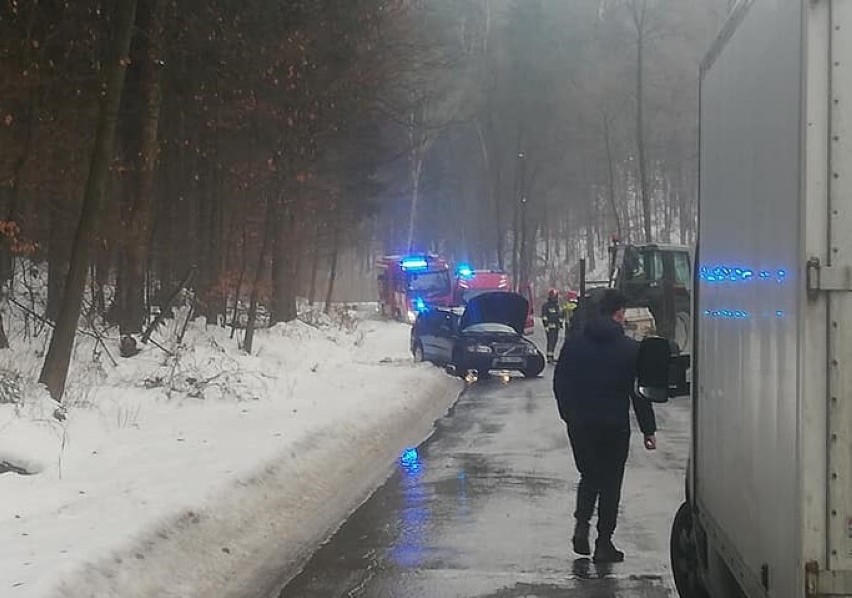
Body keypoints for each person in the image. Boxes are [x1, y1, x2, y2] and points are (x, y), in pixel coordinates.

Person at [552, 288, 657, 563]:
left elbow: (560, 382)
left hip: (580, 425)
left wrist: (569, 415)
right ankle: (603, 542)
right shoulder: (630, 349)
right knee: (611, 483)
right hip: (614, 427)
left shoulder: (573, 344)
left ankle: (581, 524)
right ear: (619, 314)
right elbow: (639, 392)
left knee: (589, 476)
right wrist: (649, 429)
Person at [541, 289, 563, 363]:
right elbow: (544, 316)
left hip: (556, 327)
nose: (556, 298)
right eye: (555, 296)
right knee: (551, 341)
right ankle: (549, 357)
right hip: (550, 327)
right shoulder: (546, 305)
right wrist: (546, 326)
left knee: (554, 342)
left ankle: (552, 356)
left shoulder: (556, 306)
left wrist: (560, 323)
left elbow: (559, 315)